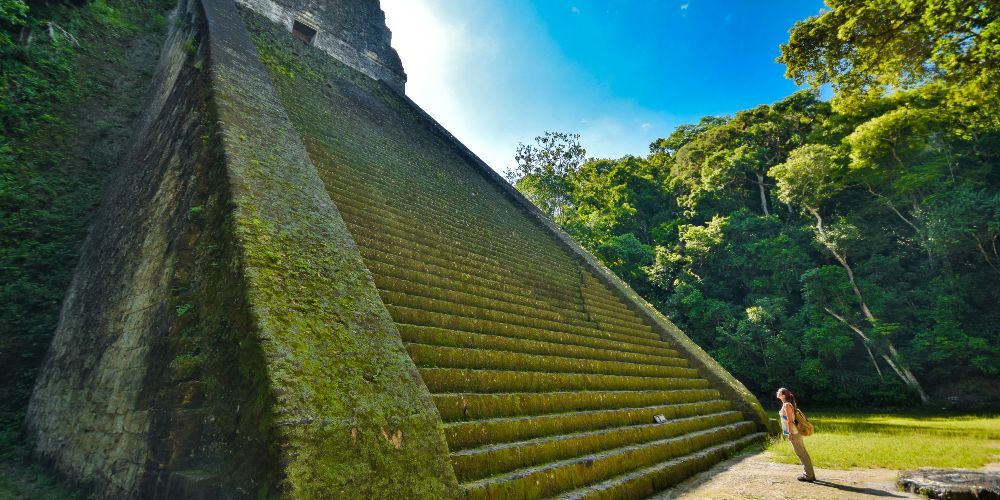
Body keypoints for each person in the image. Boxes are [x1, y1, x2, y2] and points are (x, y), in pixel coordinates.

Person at [776, 387, 816, 482]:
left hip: (794, 433)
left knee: (802, 454)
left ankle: (809, 476)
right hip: (794, 433)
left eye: (779, 392)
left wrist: (789, 433)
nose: (777, 392)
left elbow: (790, 421)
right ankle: (810, 474)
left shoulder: (787, 405)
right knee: (802, 453)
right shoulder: (787, 405)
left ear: (783, 395)